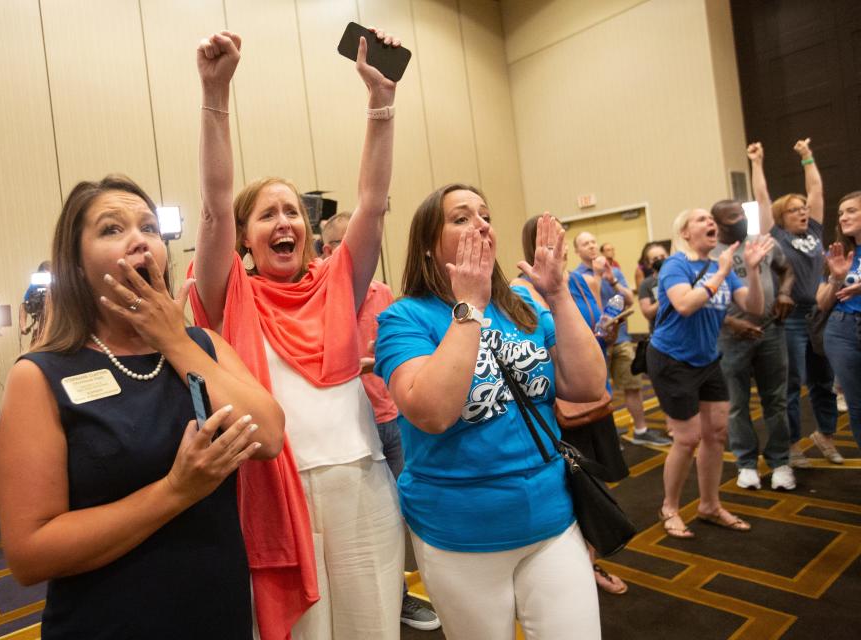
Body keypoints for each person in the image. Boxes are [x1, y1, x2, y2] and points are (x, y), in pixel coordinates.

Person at [0, 175, 284, 639]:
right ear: (76, 264)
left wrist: (173, 340)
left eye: (150, 228)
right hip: (110, 622)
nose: (139, 241)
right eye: (112, 229)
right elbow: (30, 554)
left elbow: (269, 436)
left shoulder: (201, 345)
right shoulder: (41, 374)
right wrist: (175, 491)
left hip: (217, 612)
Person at [190, 30, 405, 639]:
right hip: (276, 499)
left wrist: (381, 103)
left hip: (364, 487)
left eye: (292, 213)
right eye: (267, 214)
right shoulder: (229, 292)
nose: (284, 222)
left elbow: (373, 201)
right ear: (244, 239)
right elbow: (211, 203)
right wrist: (215, 93)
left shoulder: (339, 281)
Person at [375, 190, 605, 640]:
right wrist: (471, 308)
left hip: (552, 519)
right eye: (460, 219)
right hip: (461, 531)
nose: (480, 225)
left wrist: (556, 294)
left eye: (485, 215)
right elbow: (433, 414)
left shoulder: (521, 307)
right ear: (427, 244)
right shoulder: (404, 318)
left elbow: (587, 385)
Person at [320, 212, 442, 632]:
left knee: (405, 510)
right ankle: (394, 599)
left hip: (391, 416)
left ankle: (409, 591)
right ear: (327, 251)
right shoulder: (319, 294)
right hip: (350, 424)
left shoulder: (383, 291)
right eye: (349, 242)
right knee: (368, 523)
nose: (362, 251)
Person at [515, 215, 630, 598]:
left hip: (593, 392)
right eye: (554, 239)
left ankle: (589, 560)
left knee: (594, 487)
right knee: (573, 489)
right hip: (559, 407)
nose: (561, 246)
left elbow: (591, 326)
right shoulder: (522, 289)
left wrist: (606, 332)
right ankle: (577, 567)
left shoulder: (577, 280)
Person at [649, 208, 773, 539]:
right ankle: (669, 508)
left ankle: (709, 505)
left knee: (717, 434)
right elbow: (685, 305)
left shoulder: (724, 268)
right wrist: (719, 273)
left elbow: (755, 307)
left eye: (712, 221)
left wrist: (755, 271)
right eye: (702, 219)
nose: (711, 224)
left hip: (707, 360)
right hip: (672, 360)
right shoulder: (675, 265)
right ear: (685, 232)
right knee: (687, 438)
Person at [750, 139, 844, 465]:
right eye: (794, 209)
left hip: (820, 314)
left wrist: (807, 157)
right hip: (789, 319)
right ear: (781, 217)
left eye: (803, 208)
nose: (803, 211)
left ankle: (826, 436)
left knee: (824, 380)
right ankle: (791, 444)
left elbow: (816, 189)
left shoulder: (815, 232)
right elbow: (762, 198)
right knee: (791, 385)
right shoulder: (775, 235)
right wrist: (757, 163)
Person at [710, 199, 795, 490]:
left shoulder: (761, 241)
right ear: (719, 225)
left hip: (770, 330)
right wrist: (730, 322)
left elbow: (787, 270)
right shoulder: (710, 253)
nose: (742, 222)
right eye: (733, 219)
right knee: (736, 404)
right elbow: (701, 298)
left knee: (776, 400)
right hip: (731, 338)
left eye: (742, 216)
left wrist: (784, 293)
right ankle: (746, 462)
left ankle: (780, 460)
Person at [574, 232, 669, 446]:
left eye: (593, 241)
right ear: (577, 251)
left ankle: (641, 430)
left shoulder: (613, 271)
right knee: (601, 390)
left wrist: (612, 280)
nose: (591, 246)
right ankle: (609, 437)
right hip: (595, 341)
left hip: (621, 337)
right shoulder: (576, 277)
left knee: (632, 384)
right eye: (585, 243)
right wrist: (597, 277)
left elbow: (628, 300)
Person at [817, 191, 861, 448]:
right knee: (857, 406)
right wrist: (836, 277)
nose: (844, 217)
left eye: (851, 211)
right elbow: (822, 303)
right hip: (842, 329)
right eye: (841, 213)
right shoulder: (839, 252)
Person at [636, 243, 669, 330]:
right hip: (660, 331)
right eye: (655, 259)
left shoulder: (679, 277)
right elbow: (647, 313)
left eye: (662, 256)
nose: (660, 260)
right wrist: (665, 297)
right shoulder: (646, 284)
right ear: (648, 264)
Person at [20, 261, 51, 344]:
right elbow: (23, 306)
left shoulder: (60, 286)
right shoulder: (34, 288)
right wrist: (23, 326)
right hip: (41, 331)